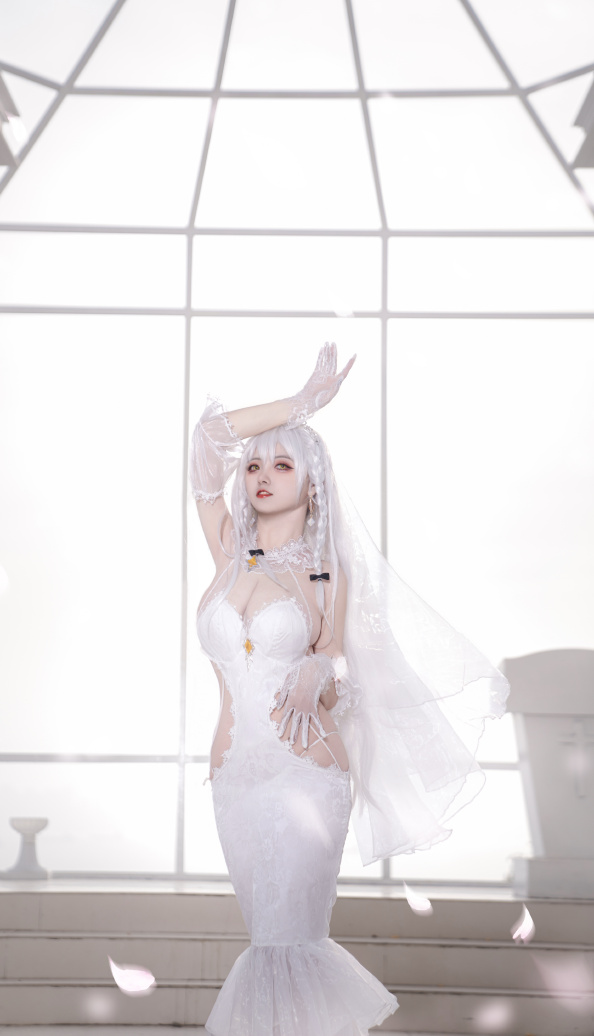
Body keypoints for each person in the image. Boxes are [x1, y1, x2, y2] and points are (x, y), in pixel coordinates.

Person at [190, 343, 509, 1036]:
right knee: (265, 940)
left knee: (290, 942)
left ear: (313, 483)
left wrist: (319, 671)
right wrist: (299, 405)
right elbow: (208, 439)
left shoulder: (323, 568)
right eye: (254, 465)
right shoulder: (230, 549)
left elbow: (339, 661)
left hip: (306, 770)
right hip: (234, 776)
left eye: (283, 464)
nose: (261, 477)